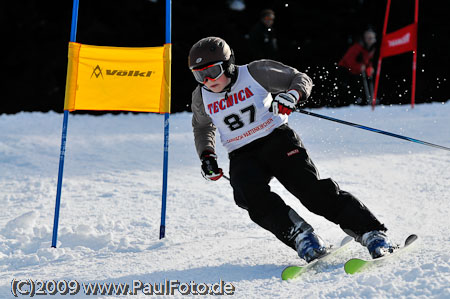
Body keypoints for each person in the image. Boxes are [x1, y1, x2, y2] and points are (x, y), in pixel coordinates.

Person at [188, 36, 394, 262]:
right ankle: (302, 237)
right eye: (200, 75)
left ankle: (371, 232)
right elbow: (202, 126)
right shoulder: (201, 96)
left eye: (213, 72)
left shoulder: (256, 72)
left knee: (311, 192)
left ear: (228, 64)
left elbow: (300, 78)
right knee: (248, 196)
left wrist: (292, 95)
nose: (207, 81)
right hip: (242, 154)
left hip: (277, 140)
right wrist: (207, 154)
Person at [337, 28, 377, 105]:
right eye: (369, 38)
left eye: (372, 38)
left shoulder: (371, 49)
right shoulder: (357, 47)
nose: (371, 40)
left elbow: (368, 62)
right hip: (345, 70)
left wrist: (369, 69)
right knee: (347, 89)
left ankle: (363, 101)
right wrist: (359, 67)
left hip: (356, 72)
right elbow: (349, 61)